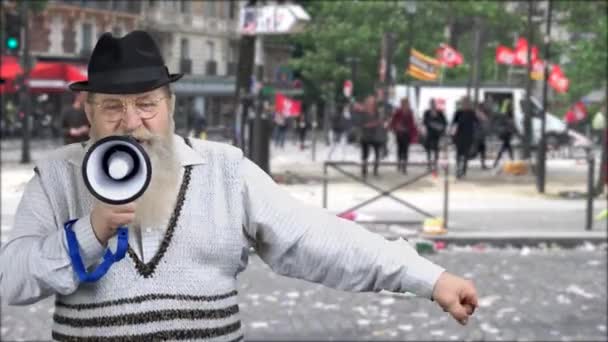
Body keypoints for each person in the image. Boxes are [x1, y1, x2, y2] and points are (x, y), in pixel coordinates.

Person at [0, 31, 478, 341]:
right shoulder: (58, 176)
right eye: (112, 107)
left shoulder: (224, 169)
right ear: (88, 112)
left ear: (169, 105)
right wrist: (90, 233)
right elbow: (13, 279)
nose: (132, 122)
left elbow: (314, 237)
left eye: (146, 103)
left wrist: (427, 278)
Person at [357, 95, 385, 178]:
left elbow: (381, 121)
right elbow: (361, 124)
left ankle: (376, 170)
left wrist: (380, 122)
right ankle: (364, 169)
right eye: (369, 102)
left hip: (376, 135)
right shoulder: (363, 112)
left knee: (377, 154)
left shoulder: (377, 112)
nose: (371, 104)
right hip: (366, 135)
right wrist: (371, 125)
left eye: (372, 102)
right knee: (365, 154)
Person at [450, 97, 479, 178]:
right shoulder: (458, 113)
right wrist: (452, 135)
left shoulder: (472, 113)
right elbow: (453, 124)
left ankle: (463, 170)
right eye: (464, 103)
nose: (465, 104)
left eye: (467, 103)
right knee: (458, 154)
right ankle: (458, 170)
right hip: (459, 136)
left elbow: (477, 123)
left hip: (468, 136)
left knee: (466, 155)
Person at [388, 97, 418, 174]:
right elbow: (393, 121)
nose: (405, 105)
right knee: (400, 149)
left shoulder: (410, 112)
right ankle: (399, 164)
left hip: (407, 133)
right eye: (403, 103)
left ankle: (404, 166)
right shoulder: (398, 112)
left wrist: (413, 132)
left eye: (406, 103)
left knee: (405, 149)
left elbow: (412, 123)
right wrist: (395, 127)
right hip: (399, 133)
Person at [422, 98, 447, 171]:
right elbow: (424, 121)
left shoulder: (439, 112)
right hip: (429, 132)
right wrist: (430, 124)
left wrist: (439, 126)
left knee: (436, 149)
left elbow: (444, 122)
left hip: (437, 133)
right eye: (431, 103)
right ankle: (429, 163)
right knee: (428, 148)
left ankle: (435, 164)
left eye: (433, 103)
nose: (432, 105)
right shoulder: (427, 112)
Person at [493, 100, 516, 168]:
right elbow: (507, 122)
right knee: (506, 148)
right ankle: (511, 161)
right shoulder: (506, 114)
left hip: (507, 133)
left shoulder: (505, 113)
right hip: (506, 133)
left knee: (506, 147)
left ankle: (496, 162)